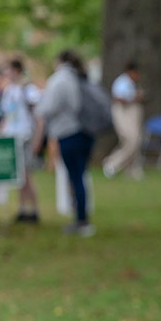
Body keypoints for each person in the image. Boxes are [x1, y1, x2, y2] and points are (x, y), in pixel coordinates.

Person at [33, 50, 95, 236]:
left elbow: (47, 108)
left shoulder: (60, 80)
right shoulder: (81, 77)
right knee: (80, 176)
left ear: (59, 61)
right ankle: (82, 215)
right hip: (87, 132)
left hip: (69, 133)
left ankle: (81, 219)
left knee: (74, 177)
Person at [0, 58, 41, 222]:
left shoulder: (28, 89)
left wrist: (37, 139)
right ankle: (22, 208)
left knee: (27, 174)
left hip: (25, 136)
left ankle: (34, 208)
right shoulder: (8, 90)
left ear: (16, 71)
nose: (6, 74)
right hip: (12, 137)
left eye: (8, 70)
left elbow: (38, 117)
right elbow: (6, 116)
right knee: (19, 176)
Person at [103, 61, 145, 180]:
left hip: (130, 114)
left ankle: (132, 169)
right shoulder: (122, 82)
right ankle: (112, 163)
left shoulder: (131, 83)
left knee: (135, 141)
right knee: (131, 140)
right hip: (123, 113)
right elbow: (119, 98)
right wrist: (135, 96)